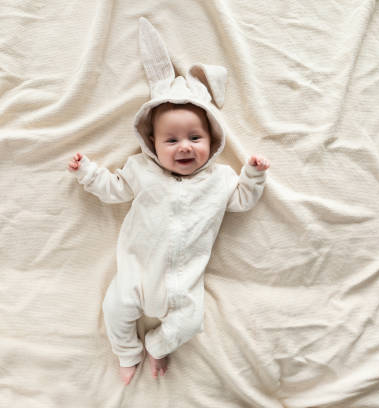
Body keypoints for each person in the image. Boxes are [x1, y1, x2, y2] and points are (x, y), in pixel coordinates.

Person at [67, 18, 270, 385]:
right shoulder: (141, 171)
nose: (185, 147)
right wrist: (88, 173)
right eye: (171, 140)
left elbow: (241, 201)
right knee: (115, 310)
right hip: (136, 274)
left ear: (212, 139)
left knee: (190, 322)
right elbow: (114, 189)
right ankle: (127, 353)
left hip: (184, 282)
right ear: (152, 145)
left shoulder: (220, 179)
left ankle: (158, 346)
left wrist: (253, 175)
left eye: (195, 137)